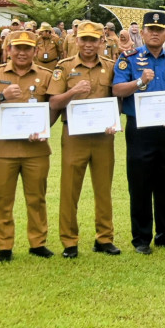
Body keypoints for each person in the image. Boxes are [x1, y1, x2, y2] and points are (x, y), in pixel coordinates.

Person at [111, 10, 165, 254]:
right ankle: (142, 238)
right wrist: (139, 82)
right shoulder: (129, 58)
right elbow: (117, 90)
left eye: (160, 30)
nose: (155, 34)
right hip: (140, 130)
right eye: (150, 29)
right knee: (140, 184)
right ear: (142, 32)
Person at [0, 29, 54, 261]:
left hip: (36, 149)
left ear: (35, 51)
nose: (22, 52)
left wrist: (43, 128)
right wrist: (1, 96)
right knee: (2, 198)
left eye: (27, 48)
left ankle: (37, 243)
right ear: (8, 49)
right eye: (17, 48)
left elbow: (53, 107)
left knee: (37, 198)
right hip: (3, 149)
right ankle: (4, 246)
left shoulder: (45, 75)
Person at [47, 20, 121, 258]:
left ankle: (104, 238)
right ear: (76, 40)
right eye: (84, 39)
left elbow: (117, 99)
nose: (88, 44)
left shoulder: (110, 66)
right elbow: (54, 102)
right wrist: (72, 92)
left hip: (103, 137)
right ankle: (69, 241)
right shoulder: (64, 67)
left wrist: (114, 120)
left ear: (102, 41)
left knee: (103, 189)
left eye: (94, 40)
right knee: (70, 189)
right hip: (74, 136)